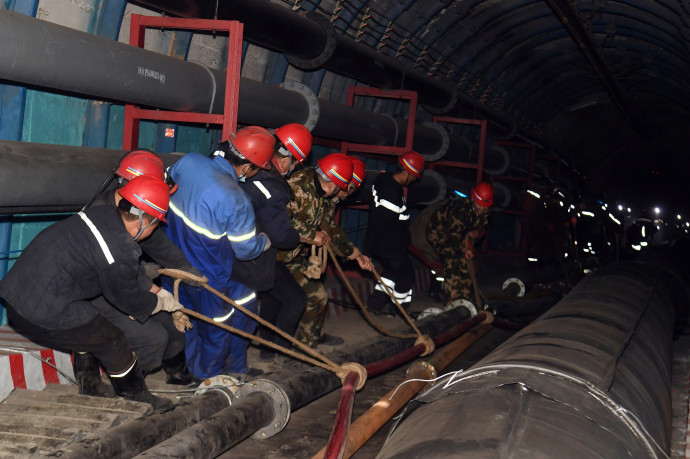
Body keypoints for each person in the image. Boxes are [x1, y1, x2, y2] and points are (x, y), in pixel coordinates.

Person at [0, 176, 178, 409]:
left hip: (17, 292)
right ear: (144, 221)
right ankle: (135, 397)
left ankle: (90, 385)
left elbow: (110, 265)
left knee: (88, 321)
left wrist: (146, 283)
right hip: (40, 309)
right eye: (156, 225)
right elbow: (130, 301)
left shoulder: (102, 214)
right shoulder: (120, 249)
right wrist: (159, 302)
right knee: (111, 338)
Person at [161, 126, 274, 379]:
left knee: (185, 320)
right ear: (246, 168)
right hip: (206, 277)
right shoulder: (235, 198)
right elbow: (244, 251)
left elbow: (164, 186)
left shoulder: (190, 161)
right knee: (217, 328)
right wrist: (264, 241)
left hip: (171, 265)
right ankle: (206, 380)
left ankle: (188, 371)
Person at [84, 149, 202, 388]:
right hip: (97, 296)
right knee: (154, 338)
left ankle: (178, 375)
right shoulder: (103, 219)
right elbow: (114, 271)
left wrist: (188, 271)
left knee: (174, 330)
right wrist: (150, 286)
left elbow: (160, 246)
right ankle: (125, 387)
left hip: (124, 286)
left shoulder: (135, 211)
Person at [239, 123, 312, 362]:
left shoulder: (250, 165)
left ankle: (268, 350)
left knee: (273, 295)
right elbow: (280, 236)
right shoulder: (272, 186)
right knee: (296, 299)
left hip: (238, 247)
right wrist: (298, 237)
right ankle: (282, 351)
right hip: (254, 253)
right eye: (294, 164)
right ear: (286, 160)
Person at [278, 153, 353, 348]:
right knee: (310, 297)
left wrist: (319, 235)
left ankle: (306, 343)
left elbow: (323, 223)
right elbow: (280, 220)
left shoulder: (317, 187)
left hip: (294, 256)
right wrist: (312, 234)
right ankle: (295, 348)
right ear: (331, 185)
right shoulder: (297, 186)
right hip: (278, 258)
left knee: (316, 296)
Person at [363, 150, 425, 315]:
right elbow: (377, 222)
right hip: (390, 246)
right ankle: (399, 311)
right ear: (406, 173)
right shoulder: (390, 190)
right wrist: (367, 252)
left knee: (391, 274)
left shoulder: (389, 184)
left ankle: (374, 304)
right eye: (412, 177)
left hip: (390, 244)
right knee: (406, 276)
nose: (413, 181)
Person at [426, 182, 493, 315]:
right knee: (453, 261)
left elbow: (480, 225)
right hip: (441, 234)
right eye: (479, 205)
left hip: (460, 234)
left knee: (466, 265)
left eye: (484, 207)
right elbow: (453, 236)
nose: (481, 209)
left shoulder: (485, 209)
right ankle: (451, 303)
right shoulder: (460, 210)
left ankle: (466, 301)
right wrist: (464, 249)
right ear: (473, 199)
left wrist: (476, 232)